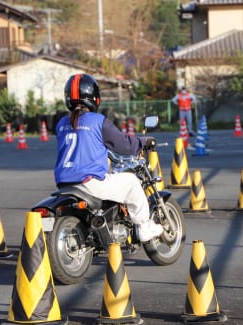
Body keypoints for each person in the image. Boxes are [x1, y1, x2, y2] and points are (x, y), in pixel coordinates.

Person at [54, 73, 163, 242]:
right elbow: (124, 144)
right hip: (89, 182)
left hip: (64, 183)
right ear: (94, 97)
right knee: (132, 182)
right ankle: (144, 226)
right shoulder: (98, 121)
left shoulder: (61, 123)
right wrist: (143, 142)